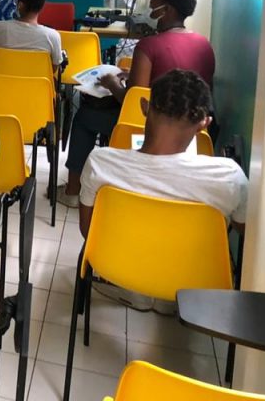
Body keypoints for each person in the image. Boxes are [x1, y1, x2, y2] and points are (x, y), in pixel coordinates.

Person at [78, 70, 246, 311]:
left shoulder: (101, 163)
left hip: (114, 266)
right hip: (194, 282)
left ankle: (140, 288)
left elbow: (87, 230)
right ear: (204, 124)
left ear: (144, 107)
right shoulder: (229, 178)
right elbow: (247, 232)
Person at [61, 0, 215, 207]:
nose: (149, 14)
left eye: (153, 8)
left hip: (147, 126)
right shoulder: (204, 45)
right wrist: (132, 73)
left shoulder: (149, 46)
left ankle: (73, 191)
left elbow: (132, 101)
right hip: (192, 130)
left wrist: (113, 83)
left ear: (168, 10)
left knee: (85, 118)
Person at [0, 0, 63, 70]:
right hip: (37, 80)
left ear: (20, 4)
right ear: (42, 6)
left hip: (3, 79)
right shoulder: (53, 36)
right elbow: (53, 68)